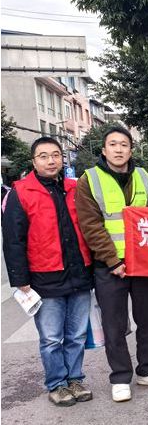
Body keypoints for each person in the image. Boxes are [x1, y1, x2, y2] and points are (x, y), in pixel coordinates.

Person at [76, 126, 148, 402]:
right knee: (114, 324)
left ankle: (147, 369)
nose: (119, 149)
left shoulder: (145, 177)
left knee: (147, 319)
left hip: (143, 264)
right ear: (103, 150)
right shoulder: (89, 180)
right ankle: (120, 377)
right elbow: (90, 225)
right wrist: (112, 260)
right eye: (113, 144)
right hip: (109, 267)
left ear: (131, 149)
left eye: (124, 144)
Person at [2, 137, 94, 407]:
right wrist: (20, 280)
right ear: (34, 162)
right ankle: (57, 384)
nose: (51, 161)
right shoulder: (20, 192)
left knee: (77, 335)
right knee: (52, 338)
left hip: (79, 274)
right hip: (45, 277)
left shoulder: (75, 188)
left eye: (55, 155)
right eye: (43, 156)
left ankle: (75, 379)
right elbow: (13, 240)